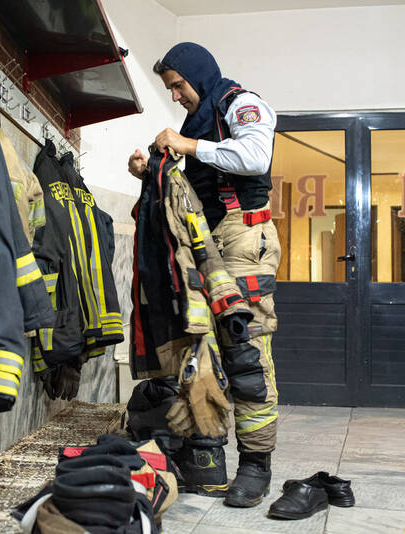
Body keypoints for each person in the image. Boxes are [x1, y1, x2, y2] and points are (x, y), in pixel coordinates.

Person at [128, 42, 281, 508]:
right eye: (169, 88)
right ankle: (208, 464)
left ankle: (256, 467)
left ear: (199, 74)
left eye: (178, 85)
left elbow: (254, 156)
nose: (175, 96)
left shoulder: (241, 104)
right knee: (200, 355)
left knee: (246, 358)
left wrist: (186, 144)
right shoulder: (198, 124)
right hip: (205, 246)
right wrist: (146, 173)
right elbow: (192, 192)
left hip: (243, 241)